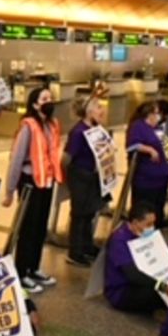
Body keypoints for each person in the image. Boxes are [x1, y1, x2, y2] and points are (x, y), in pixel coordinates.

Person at [3, 86, 64, 290]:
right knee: (28, 229)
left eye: (51, 97)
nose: (49, 101)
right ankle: (21, 272)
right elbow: (17, 159)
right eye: (44, 98)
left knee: (40, 227)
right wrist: (9, 190)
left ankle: (33, 267)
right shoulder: (28, 126)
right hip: (30, 181)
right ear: (35, 104)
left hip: (46, 182)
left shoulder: (52, 125)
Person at [103, 204, 168, 314]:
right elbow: (132, 275)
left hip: (143, 280)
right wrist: (163, 287)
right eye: (148, 224)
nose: (152, 228)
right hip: (122, 291)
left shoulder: (142, 234)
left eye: (153, 223)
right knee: (155, 294)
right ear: (135, 223)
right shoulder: (119, 240)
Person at [63, 96, 108, 267]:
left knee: (90, 212)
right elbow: (67, 157)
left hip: (92, 176)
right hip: (80, 175)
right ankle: (75, 251)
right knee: (79, 214)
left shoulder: (96, 129)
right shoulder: (78, 132)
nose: (101, 110)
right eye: (97, 107)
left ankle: (87, 245)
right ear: (88, 111)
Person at [127, 102, 168, 229]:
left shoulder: (158, 128)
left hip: (162, 175)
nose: (159, 116)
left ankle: (158, 223)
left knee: (158, 204)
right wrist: (149, 149)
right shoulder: (138, 127)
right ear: (149, 114)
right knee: (145, 205)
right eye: (157, 113)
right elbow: (132, 145)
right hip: (147, 177)